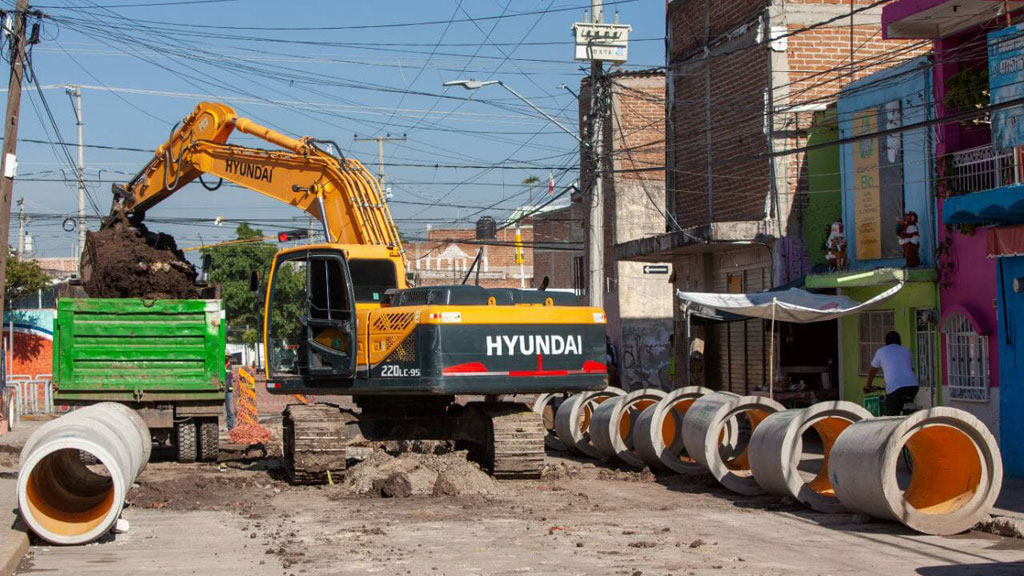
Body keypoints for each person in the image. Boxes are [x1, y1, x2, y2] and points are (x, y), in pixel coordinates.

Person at [863, 331, 919, 416]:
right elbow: (910, 369)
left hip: (895, 388)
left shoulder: (881, 351)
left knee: (891, 415)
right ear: (899, 340)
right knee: (907, 405)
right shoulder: (906, 350)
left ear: (886, 341)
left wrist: (868, 386)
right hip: (913, 386)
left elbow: (872, 372)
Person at [224, 355, 235, 430]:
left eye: (228, 357)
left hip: (228, 391)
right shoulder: (219, 364)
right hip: (221, 390)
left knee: (230, 411)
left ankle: (230, 429)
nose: (227, 358)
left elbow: (231, 378)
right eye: (225, 356)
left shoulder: (230, 366)